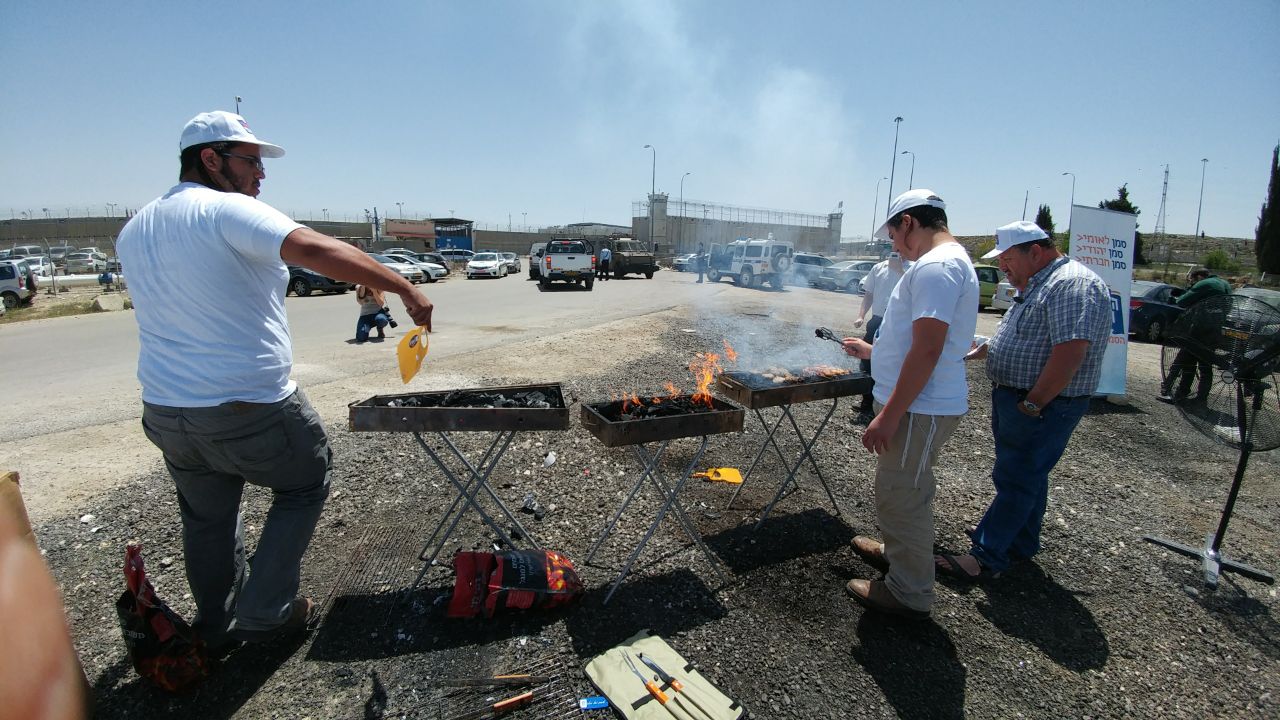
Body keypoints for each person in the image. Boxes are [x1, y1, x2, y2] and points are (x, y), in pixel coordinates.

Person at [118, 111, 434, 651]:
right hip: (248, 405)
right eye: (251, 162)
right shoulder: (228, 209)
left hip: (168, 411)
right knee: (305, 481)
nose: (260, 175)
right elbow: (319, 251)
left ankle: (216, 627)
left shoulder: (136, 226)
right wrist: (405, 286)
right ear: (210, 160)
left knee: (207, 520)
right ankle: (265, 610)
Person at [934, 220, 1110, 582]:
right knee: (1028, 475)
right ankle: (1020, 542)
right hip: (1021, 400)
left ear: (1035, 251)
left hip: (1044, 406)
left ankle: (984, 556)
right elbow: (1029, 339)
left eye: (1008, 258)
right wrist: (986, 349)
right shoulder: (1037, 284)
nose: (1003, 267)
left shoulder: (1073, 284)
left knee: (1017, 477)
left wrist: (1034, 403)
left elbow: (1071, 351)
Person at [840, 189, 978, 619]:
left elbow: (928, 350)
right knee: (900, 488)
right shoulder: (946, 262)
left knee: (904, 496)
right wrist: (873, 353)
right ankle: (896, 551)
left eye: (895, 236)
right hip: (920, 404)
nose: (895, 246)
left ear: (909, 222)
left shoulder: (937, 266)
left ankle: (908, 592)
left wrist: (888, 414)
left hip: (920, 409)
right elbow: (915, 342)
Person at [1157, 267, 1231, 403]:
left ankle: (1175, 393)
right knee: (1205, 365)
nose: (1192, 284)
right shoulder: (1224, 284)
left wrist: (1175, 297)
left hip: (1199, 330)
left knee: (1184, 360)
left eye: (1192, 281)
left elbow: (1182, 301)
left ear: (1199, 277)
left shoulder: (1204, 284)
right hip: (1215, 330)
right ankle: (1202, 398)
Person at [850, 252, 906, 425]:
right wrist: (861, 316)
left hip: (897, 323)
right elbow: (869, 295)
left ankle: (882, 406)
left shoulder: (912, 269)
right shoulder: (878, 268)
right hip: (877, 320)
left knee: (887, 363)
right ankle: (867, 403)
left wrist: (901, 270)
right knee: (866, 363)